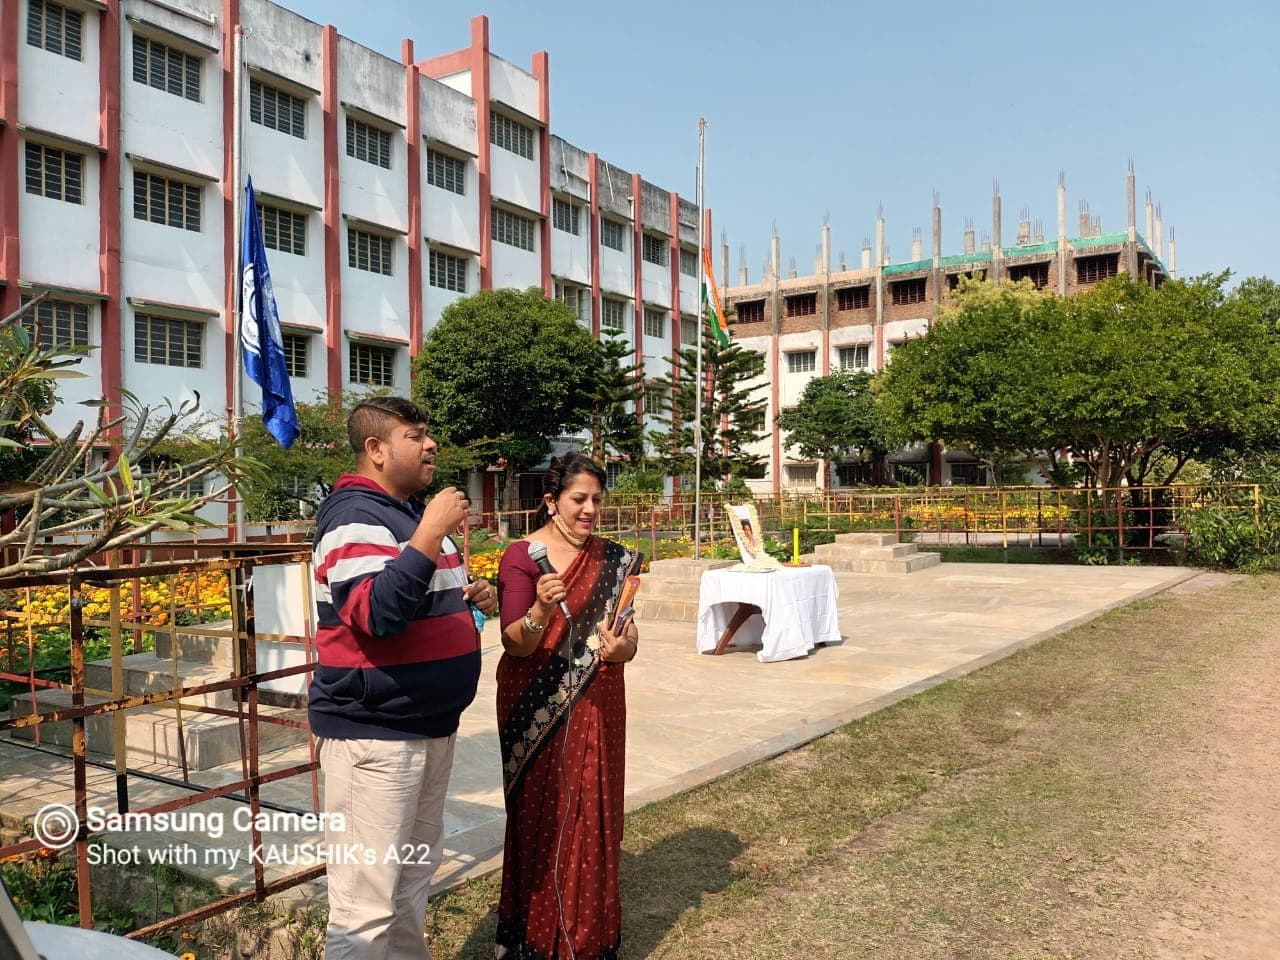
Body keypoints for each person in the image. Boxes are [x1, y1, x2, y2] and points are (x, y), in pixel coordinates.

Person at [308, 396, 497, 960]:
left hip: (428, 727)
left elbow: (417, 597)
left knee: (412, 884)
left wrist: (472, 600)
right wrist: (431, 532)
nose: (431, 444)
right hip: (376, 738)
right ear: (377, 450)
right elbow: (377, 614)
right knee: (365, 905)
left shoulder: (410, 517)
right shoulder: (353, 517)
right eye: (415, 436)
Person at [493, 453, 641, 960]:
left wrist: (622, 648)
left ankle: (585, 936)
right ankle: (532, 934)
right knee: (542, 815)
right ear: (552, 501)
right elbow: (515, 644)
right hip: (533, 706)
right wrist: (539, 607)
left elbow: (628, 631)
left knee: (591, 816)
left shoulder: (615, 558)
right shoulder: (522, 556)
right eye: (579, 499)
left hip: (598, 700)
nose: (590, 510)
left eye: (597, 500)